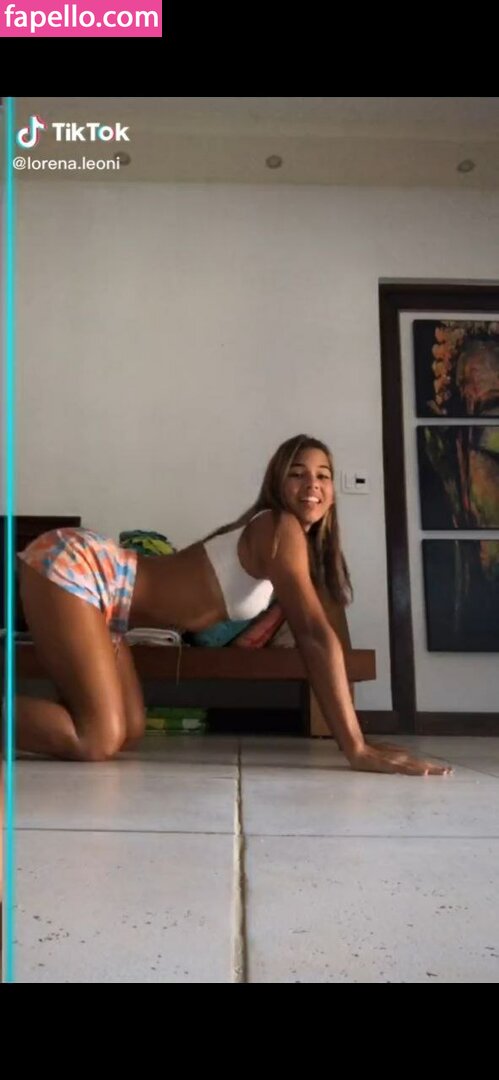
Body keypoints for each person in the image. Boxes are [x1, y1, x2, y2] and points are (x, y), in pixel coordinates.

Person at [16, 434, 451, 775]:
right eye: (298, 473)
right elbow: (313, 635)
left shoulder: (291, 543)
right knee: (97, 738)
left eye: (323, 475)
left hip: (107, 602)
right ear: (277, 483)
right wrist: (355, 747)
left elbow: (323, 624)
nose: (312, 485)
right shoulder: (278, 527)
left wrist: (359, 737)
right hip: (83, 567)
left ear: (333, 491)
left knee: (127, 729)